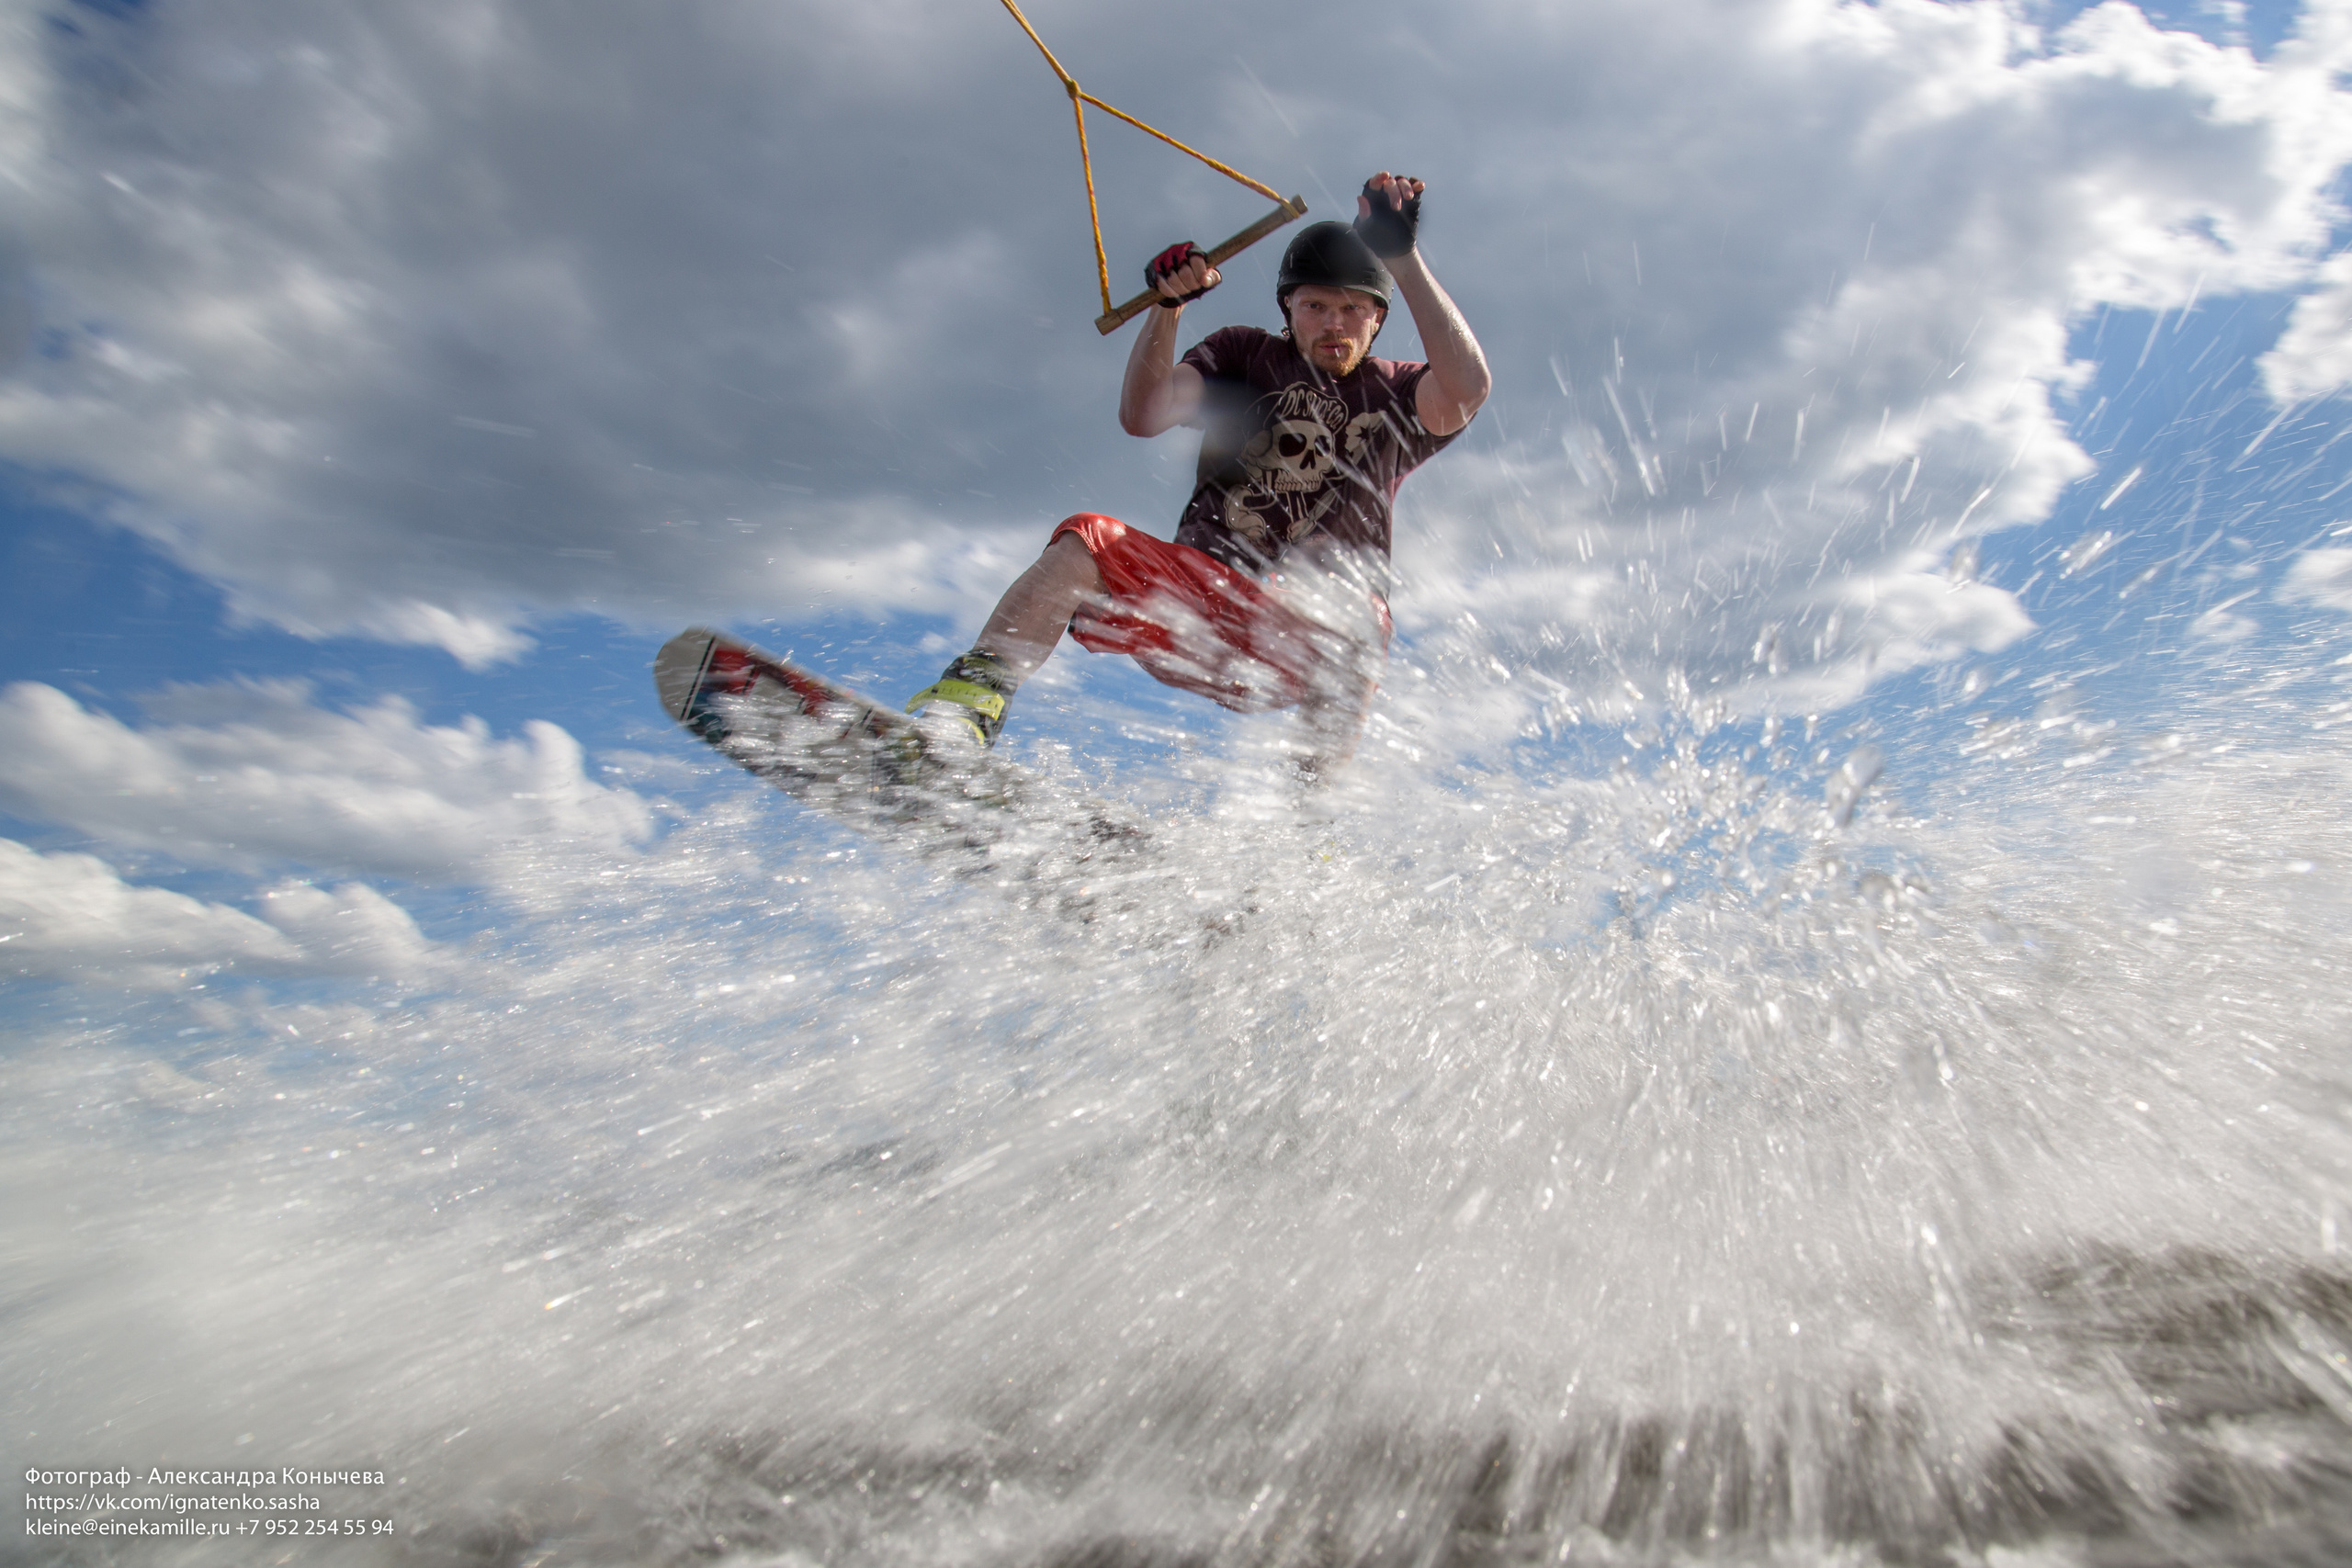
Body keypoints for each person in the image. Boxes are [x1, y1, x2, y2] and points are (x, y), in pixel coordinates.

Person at [907, 171, 1490, 776]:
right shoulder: (1244, 355)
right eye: (1315, 307)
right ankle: (965, 713)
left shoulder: (1396, 392)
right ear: (1288, 308)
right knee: (1083, 539)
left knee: (1360, 616)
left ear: (1377, 319)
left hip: (1301, 639)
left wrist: (1403, 259)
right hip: (1198, 609)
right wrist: (1167, 309)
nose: (1333, 325)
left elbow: (1469, 388)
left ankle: (1309, 826)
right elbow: (1145, 413)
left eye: (1351, 311)